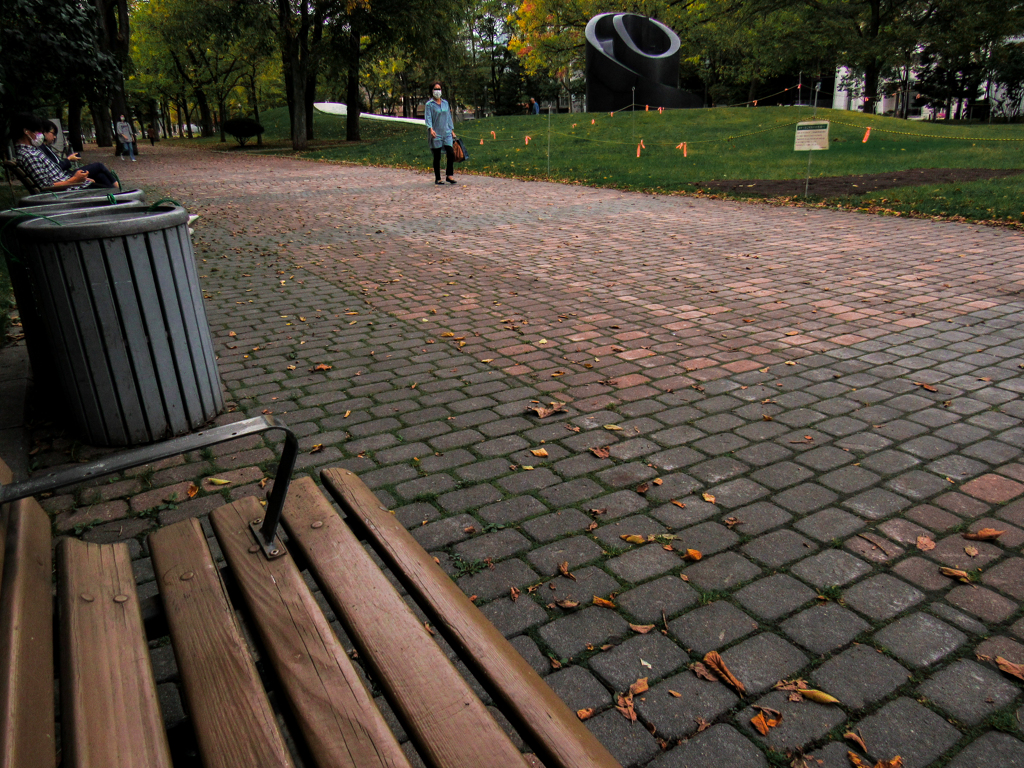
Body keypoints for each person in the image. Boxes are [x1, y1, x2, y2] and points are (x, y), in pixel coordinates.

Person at [10, 113, 92, 191]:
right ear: (26, 131)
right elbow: (46, 186)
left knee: (100, 179)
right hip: (69, 191)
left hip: (72, 186)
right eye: (37, 131)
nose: (40, 135)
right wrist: (75, 180)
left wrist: (79, 179)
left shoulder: (32, 150)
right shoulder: (29, 155)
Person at [40, 121, 120, 189]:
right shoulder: (40, 149)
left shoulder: (45, 147)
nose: (54, 137)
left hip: (66, 176)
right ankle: (117, 187)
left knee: (101, 176)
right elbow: (57, 168)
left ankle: (115, 194)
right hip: (67, 177)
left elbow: (56, 167)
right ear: (44, 132)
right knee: (99, 166)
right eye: (53, 133)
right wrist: (68, 160)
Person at [424, 81, 457, 185]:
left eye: (439, 89)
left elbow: (448, 117)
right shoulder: (429, 105)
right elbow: (428, 118)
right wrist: (430, 128)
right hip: (436, 132)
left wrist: (451, 130)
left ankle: (449, 175)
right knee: (437, 155)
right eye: (435, 89)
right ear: (432, 91)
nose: (438, 91)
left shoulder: (445, 103)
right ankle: (438, 178)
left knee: (450, 152)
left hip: (446, 131)